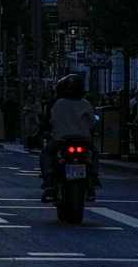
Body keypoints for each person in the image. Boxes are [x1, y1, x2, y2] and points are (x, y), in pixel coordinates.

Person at [39, 73, 99, 202]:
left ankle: (49, 181)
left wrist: (43, 131)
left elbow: (48, 122)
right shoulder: (85, 103)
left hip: (61, 140)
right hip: (83, 140)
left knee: (46, 154)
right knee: (94, 154)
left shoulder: (57, 103)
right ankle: (92, 180)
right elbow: (93, 123)